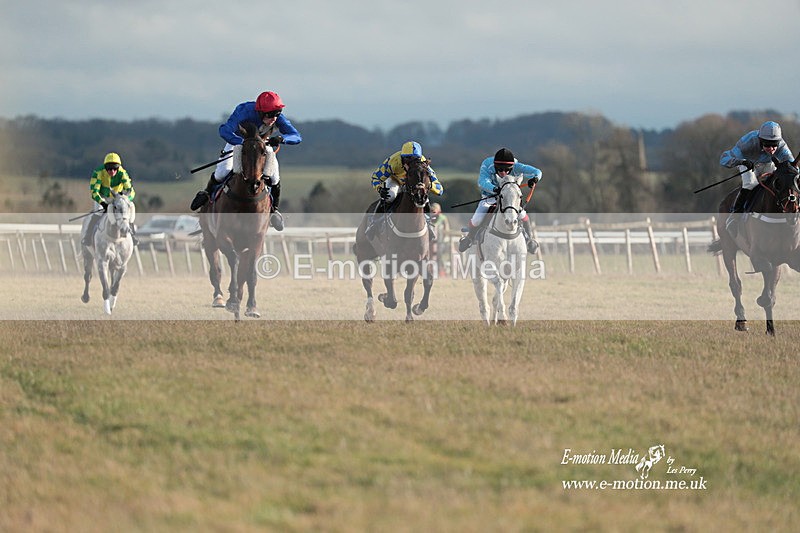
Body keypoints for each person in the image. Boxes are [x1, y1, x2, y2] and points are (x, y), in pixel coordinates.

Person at [190, 91, 302, 231]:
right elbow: (224, 130)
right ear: (260, 112)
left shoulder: (276, 117)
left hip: (262, 145)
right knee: (223, 171)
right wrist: (242, 142)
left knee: (274, 176)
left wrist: (281, 139)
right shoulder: (244, 111)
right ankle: (207, 194)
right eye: (270, 114)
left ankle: (274, 211)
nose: (274, 118)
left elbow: (296, 136)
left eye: (277, 113)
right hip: (238, 142)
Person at [458, 148, 541, 254]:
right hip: (490, 196)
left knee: (522, 215)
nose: (504, 173)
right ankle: (469, 238)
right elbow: (482, 181)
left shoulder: (517, 166)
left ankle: (530, 240)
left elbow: (537, 172)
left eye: (507, 170)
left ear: (512, 167)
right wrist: (495, 188)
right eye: (500, 170)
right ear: (495, 166)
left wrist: (534, 179)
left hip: (509, 199)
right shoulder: (487, 165)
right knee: (477, 219)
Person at [720, 120, 795, 237]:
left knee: (777, 183)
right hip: (746, 163)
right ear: (760, 141)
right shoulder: (748, 142)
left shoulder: (782, 146)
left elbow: (792, 165)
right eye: (767, 145)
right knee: (750, 183)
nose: (771, 149)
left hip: (767, 164)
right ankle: (734, 217)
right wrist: (741, 161)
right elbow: (724, 159)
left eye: (774, 144)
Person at [365, 141, 444, 239]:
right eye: (408, 159)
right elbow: (375, 177)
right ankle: (374, 224)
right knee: (390, 195)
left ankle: (428, 225)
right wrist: (380, 189)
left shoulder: (424, 166)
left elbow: (439, 189)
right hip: (396, 180)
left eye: (415, 159)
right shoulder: (393, 161)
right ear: (402, 157)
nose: (411, 163)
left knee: (424, 197)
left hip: (413, 184)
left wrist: (427, 186)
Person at [82, 152, 137, 247]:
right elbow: (94, 192)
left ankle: (132, 235)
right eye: (109, 168)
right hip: (102, 196)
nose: (112, 171)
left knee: (129, 209)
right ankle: (88, 236)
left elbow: (130, 191)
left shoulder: (123, 173)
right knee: (98, 213)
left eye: (115, 168)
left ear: (118, 167)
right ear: (105, 167)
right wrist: (102, 203)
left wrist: (125, 199)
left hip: (118, 198)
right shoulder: (98, 172)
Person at [430, 202, 450, 276]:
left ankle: (441, 271)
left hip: (441, 241)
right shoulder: (429, 217)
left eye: (434, 211)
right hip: (431, 241)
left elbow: (447, 228)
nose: (432, 212)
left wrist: (446, 238)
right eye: (431, 211)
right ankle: (431, 271)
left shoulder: (443, 218)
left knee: (440, 256)